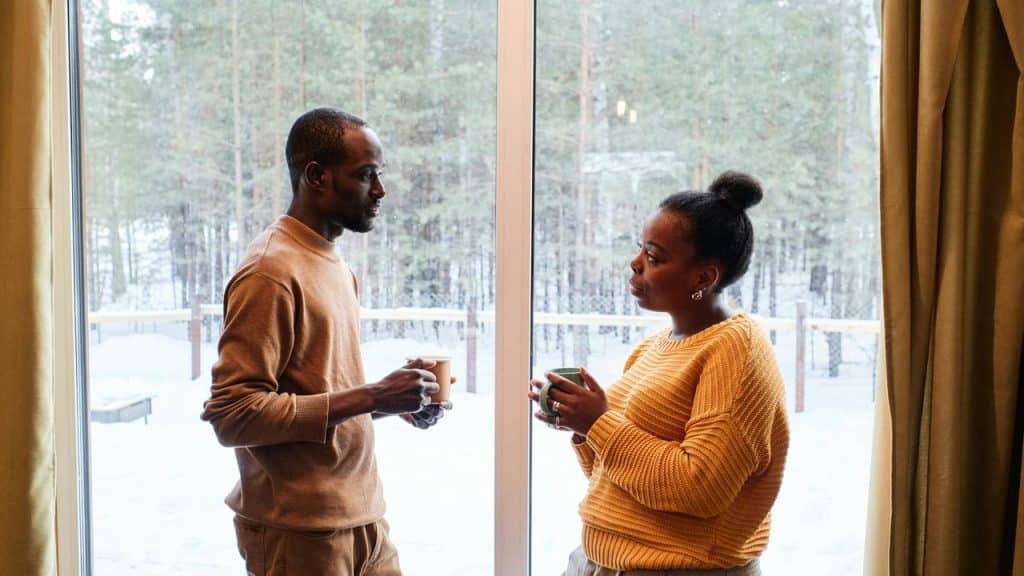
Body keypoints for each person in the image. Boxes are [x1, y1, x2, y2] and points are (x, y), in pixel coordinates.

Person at [202, 108, 451, 576]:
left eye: (380, 174)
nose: (380, 190)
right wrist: (373, 395)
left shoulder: (334, 264)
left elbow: (314, 397)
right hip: (300, 534)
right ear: (316, 176)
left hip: (365, 522)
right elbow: (232, 415)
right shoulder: (270, 272)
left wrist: (394, 401)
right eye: (366, 175)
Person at [530, 171, 789, 576]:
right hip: (601, 561)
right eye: (640, 250)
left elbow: (699, 487)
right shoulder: (654, 347)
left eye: (653, 257)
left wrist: (599, 422)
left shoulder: (737, 349)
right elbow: (623, 481)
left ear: (704, 278)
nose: (635, 265)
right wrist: (582, 427)